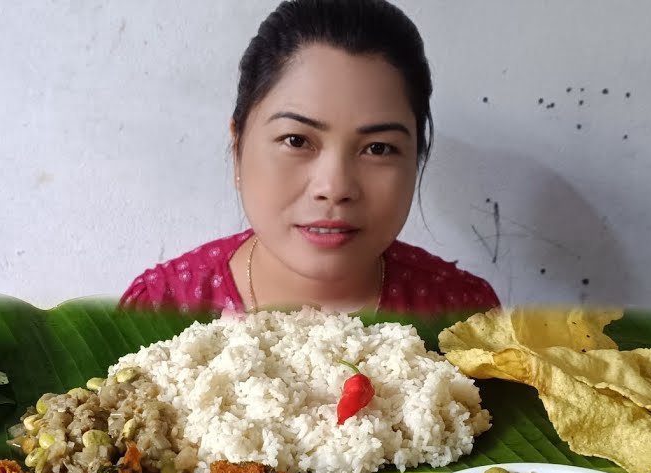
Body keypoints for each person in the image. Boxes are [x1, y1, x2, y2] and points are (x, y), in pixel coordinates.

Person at [121, 0, 499, 315]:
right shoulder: (161, 308)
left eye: (378, 148)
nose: (334, 188)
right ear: (238, 148)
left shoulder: (465, 313)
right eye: (297, 140)